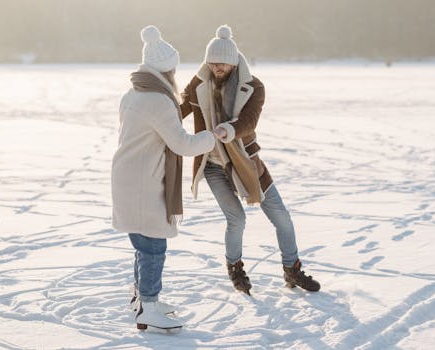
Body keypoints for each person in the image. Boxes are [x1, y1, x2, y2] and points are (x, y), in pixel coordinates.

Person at [180, 25, 320, 295]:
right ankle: (235, 268)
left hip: (246, 161)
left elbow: (249, 120)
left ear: (233, 62)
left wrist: (229, 130)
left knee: (281, 217)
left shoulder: (253, 86)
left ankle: (292, 269)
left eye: (221, 62)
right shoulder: (199, 82)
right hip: (213, 164)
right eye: (211, 61)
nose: (215, 67)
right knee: (237, 219)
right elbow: (179, 109)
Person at [111, 25, 216, 330]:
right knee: (153, 246)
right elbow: (182, 144)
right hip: (143, 182)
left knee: (143, 243)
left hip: (131, 177)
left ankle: (142, 298)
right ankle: (149, 306)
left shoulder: (133, 93)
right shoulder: (157, 100)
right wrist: (210, 137)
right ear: (166, 70)